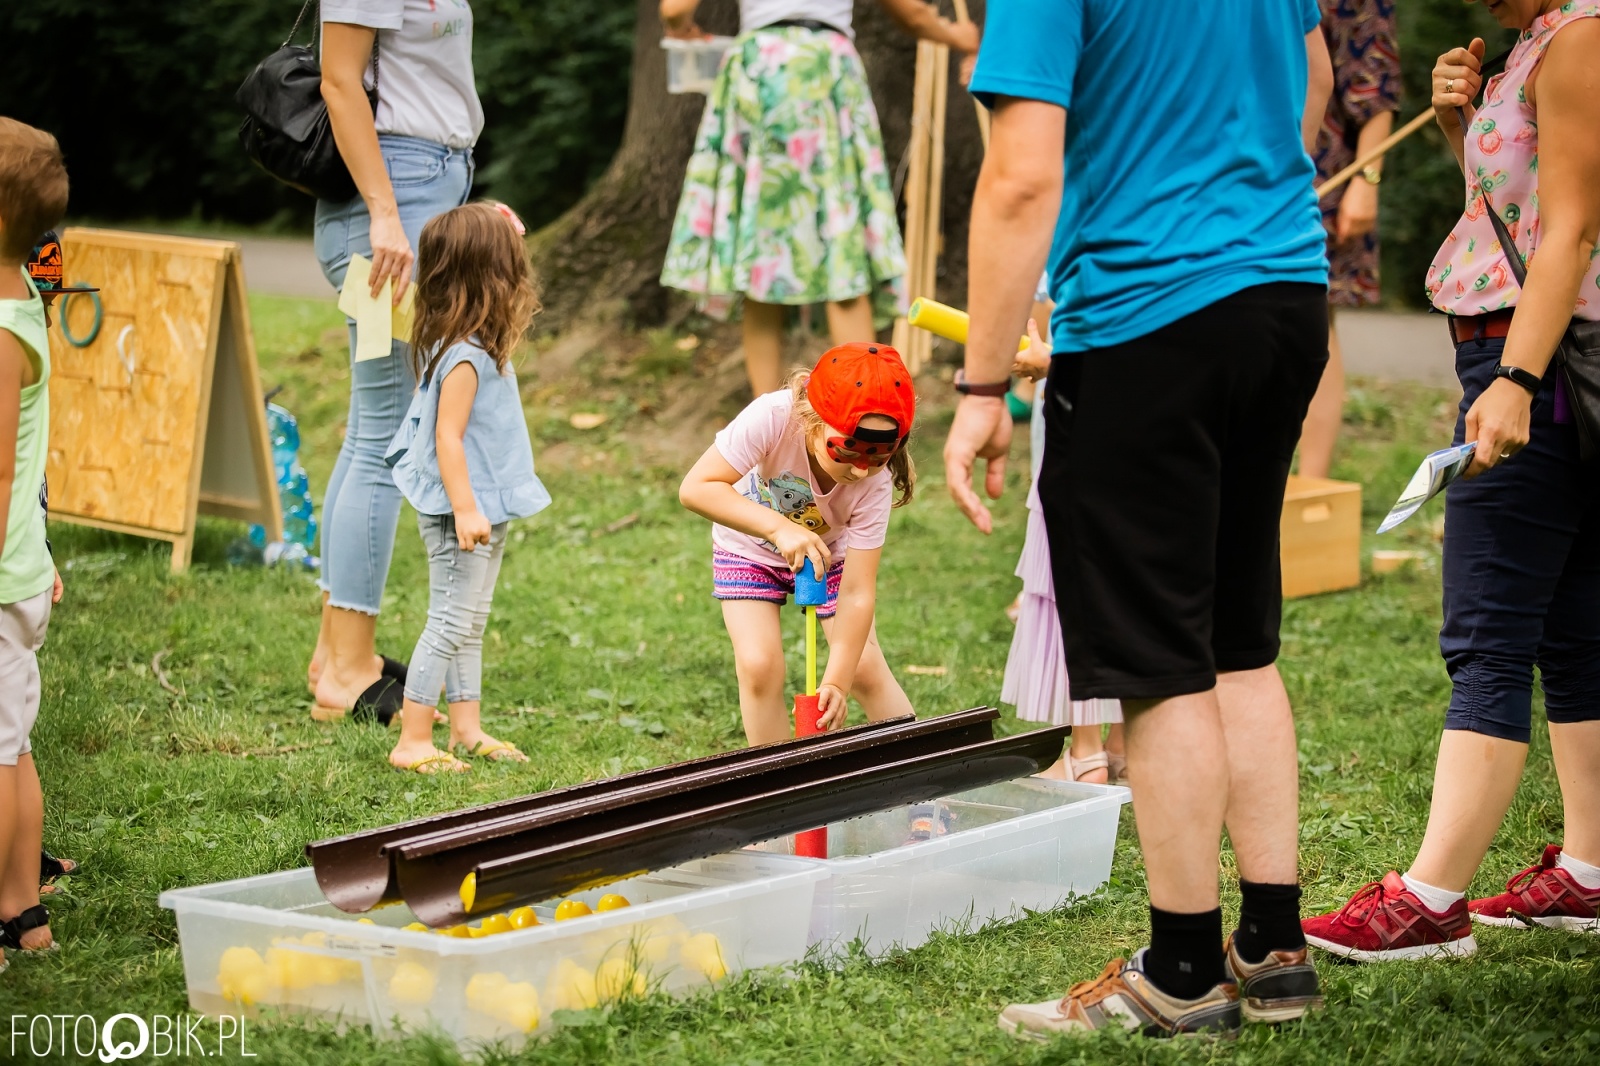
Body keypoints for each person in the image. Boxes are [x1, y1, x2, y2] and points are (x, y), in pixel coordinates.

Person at [945, 0, 1334, 1038]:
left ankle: (1180, 970)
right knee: (1237, 638)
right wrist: (1238, 202)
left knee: (1160, 660)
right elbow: (1317, 83)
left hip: (1144, 315)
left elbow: (1021, 176)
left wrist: (981, 384)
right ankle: (1274, 946)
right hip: (1283, 296)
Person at [1303, 0, 1600, 960]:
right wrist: (1455, 122)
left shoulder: (1582, 38)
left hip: (1538, 364)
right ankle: (1591, 873)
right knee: (1573, 623)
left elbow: (1573, 230)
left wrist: (1514, 380)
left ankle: (1431, 897)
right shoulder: (1538, 43)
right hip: (1536, 359)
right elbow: (1516, 207)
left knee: (1489, 626)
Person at [658, 0, 980, 397]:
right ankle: (864, 417)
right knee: (841, 248)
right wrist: (958, 36)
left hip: (761, 66)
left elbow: (674, 9)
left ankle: (767, 436)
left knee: (763, 255)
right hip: (825, 67)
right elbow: (910, 12)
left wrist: (682, 28)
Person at [309, 0, 482, 723]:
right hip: (394, 204)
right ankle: (347, 668)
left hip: (423, 189)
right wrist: (385, 214)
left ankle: (335, 655)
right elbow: (339, 82)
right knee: (387, 435)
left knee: (370, 429)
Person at [679, 343, 915, 745]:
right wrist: (777, 528)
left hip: (830, 553)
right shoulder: (772, 417)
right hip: (748, 546)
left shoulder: (874, 480)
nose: (861, 468)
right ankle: (777, 788)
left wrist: (838, 684)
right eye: (847, 449)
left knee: (864, 669)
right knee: (759, 666)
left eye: (878, 455)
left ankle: (927, 787)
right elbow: (696, 489)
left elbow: (857, 593)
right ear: (811, 418)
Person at [383, 202, 549, 774]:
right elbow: (446, 438)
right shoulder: (465, 357)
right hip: (465, 509)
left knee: (470, 621)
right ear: (492, 279)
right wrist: (465, 509)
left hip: (483, 503)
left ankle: (466, 728)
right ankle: (412, 739)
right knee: (451, 620)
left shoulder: (474, 344)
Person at [0, 117, 70, 963]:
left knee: (1, 753)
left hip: (2, 572)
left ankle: (17, 907)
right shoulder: (23, 291)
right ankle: (25, 913)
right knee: (12, 742)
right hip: (21, 565)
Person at [1002, 312, 1124, 785]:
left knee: (1072, 593)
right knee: (1123, 593)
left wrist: (1051, 361)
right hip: (1147, 440)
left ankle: (1086, 753)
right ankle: (1120, 747)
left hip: (1087, 430)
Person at [1299, 0, 1401, 479]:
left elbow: (1375, 84)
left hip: (1325, 175)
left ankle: (1309, 487)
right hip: (1253, 169)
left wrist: (1367, 182)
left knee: (1316, 320)